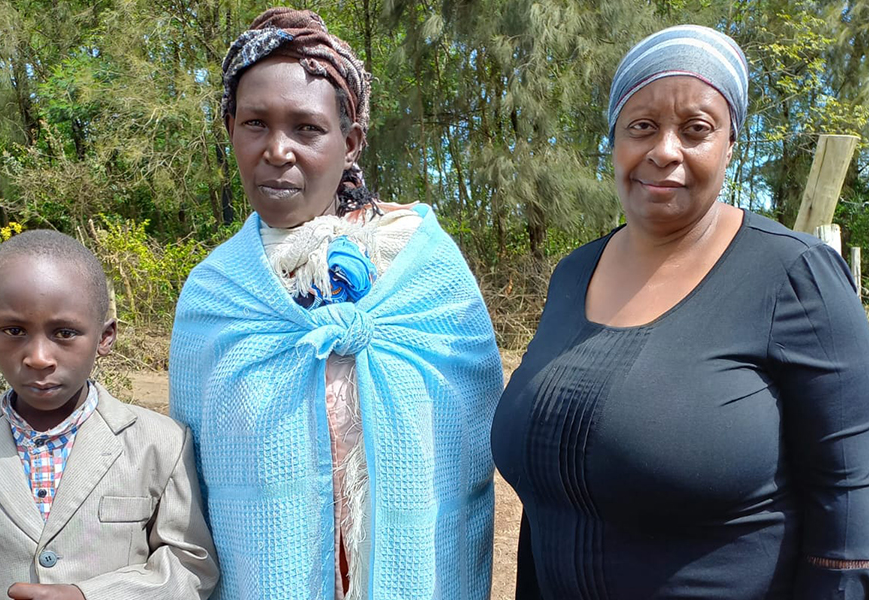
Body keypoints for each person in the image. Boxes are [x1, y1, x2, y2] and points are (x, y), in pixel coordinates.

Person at [492, 24, 869, 599]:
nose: (665, 150)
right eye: (642, 126)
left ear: (729, 145)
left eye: (696, 129)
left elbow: (850, 495)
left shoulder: (794, 276)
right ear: (614, 140)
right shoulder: (573, 274)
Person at [169, 7, 503, 600]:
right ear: (229, 129)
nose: (277, 150)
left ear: (350, 142)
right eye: (254, 124)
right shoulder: (215, 293)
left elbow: (467, 447)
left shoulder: (424, 267)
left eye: (306, 128)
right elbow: (190, 482)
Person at [0, 230, 218, 600]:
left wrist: (89, 595)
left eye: (65, 332)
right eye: (14, 330)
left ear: (105, 337)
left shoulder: (160, 443)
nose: (39, 357)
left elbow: (192, 564)